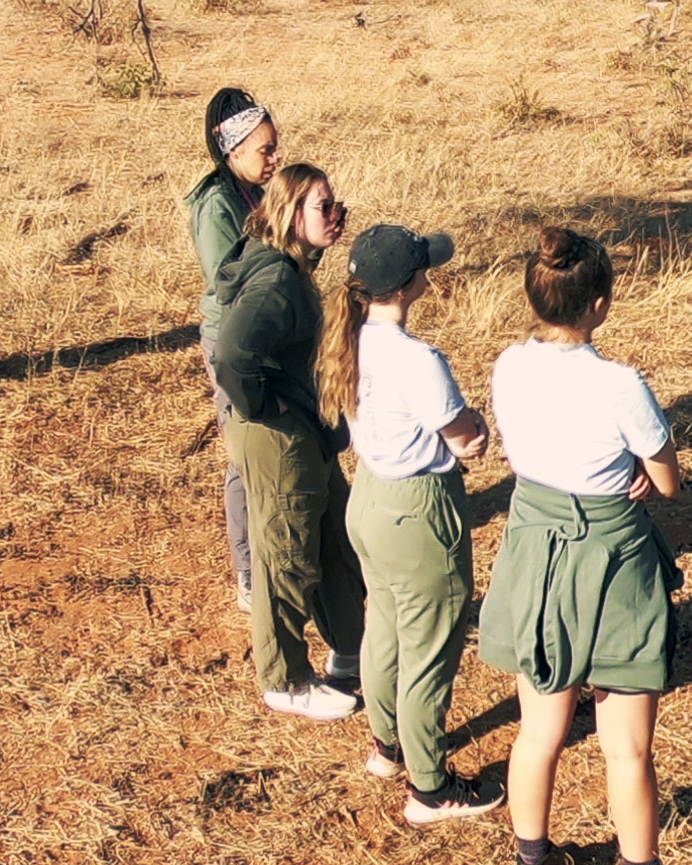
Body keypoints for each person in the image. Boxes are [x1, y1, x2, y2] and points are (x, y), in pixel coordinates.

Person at [479, 227, 692, 865]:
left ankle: (532, 863)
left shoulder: (507, 365)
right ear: (601, 304)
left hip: (534, 549)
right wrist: (642, 476)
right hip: (610, 559)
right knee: (627, 746)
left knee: (539, 729)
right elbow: (667, 481)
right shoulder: (620, 384)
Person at [328, 219, 499, 824]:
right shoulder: (419, 359)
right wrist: (475, 426)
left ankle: (388, 745)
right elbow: (466, 440)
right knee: (430, 646)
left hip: (369, 499)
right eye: (424, 265)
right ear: (404, 287)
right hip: (419, 509)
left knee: (387, 625)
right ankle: (431, 787)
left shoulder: (348, 341)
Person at [213, 160, 367, 722]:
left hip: (305, 430)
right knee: (288, 551)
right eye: (323, 206)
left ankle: (352, 649)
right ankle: (285, 678)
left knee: (331, 536)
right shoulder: (276, 278)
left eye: (336, 204)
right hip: (280, 437)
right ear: (289, 212)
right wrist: (266, 405)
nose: (336, 214)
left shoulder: (288, 263)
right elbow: (233, 355)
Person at [183, 87, 285, 609]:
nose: (274, 158)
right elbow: (229, 280)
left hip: (274, 329)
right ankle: (248, 569)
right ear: (233, 150)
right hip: (235, 339)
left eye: (275, 147)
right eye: (265, 149)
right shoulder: (215, 204)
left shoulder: (257, 193)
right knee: (244, 454)